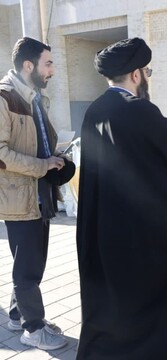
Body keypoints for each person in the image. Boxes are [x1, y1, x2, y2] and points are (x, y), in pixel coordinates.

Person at [76, 38, 167, 360]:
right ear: (136, 75)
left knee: (117, 290)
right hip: (142, 228)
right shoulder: (138, 109)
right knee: (150, 284)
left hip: (106, 223)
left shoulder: (95, 109)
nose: (147, 77)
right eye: (147, 71)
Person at [0, 37, 69, 351]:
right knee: (27, 268)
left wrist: (56, 159)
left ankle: (18, 315)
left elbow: (36, 142)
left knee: (33, 262)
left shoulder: (33, 97)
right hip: (18, 197)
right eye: (48, 63)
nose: (52, 70)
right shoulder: (4, 98)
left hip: (39, 194)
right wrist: (42, 165)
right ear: (29, 66)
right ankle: (33, 328)